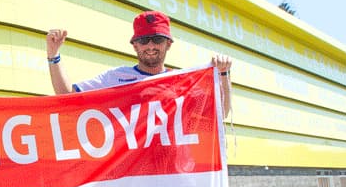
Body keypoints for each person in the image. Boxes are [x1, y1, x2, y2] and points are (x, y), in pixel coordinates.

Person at [46, 10, 232, 114]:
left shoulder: (182, 82)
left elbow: (220, 114)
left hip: (176, 177)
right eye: (143, 40)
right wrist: (53, 55)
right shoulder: (115, 78)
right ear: (135, 46)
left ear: (168, 44)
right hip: (133, 180)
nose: (150, 46)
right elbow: (66, 95)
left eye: (157, 39)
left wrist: (224, 74)